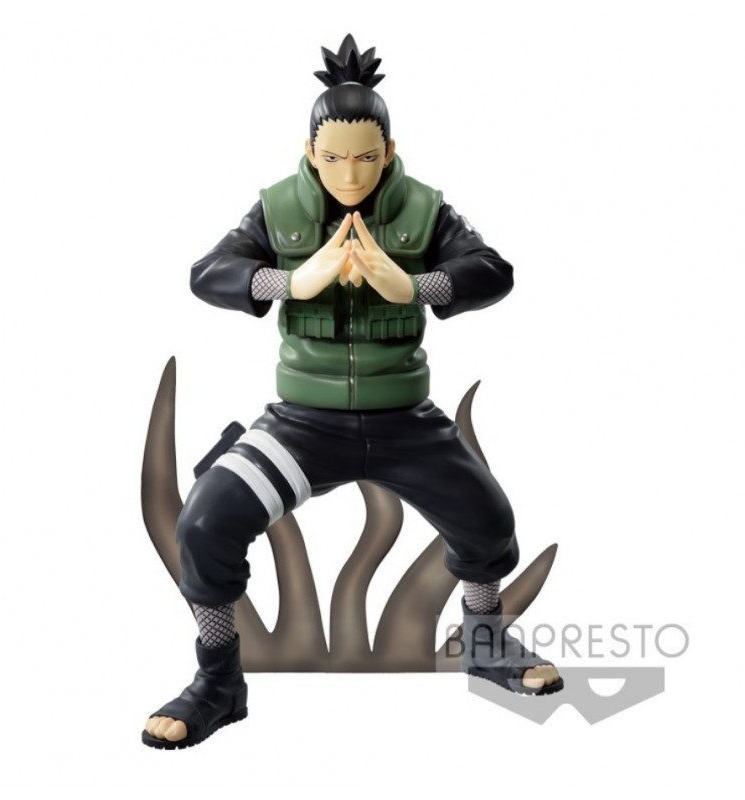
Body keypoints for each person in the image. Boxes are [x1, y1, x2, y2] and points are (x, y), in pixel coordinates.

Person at [142, 34, 562, 750]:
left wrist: (417, 286)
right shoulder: (276, 209)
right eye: (333, 157)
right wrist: (289, 281)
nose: (350, 172)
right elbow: (207, 273)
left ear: (389, 152)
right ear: (310, 153)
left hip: (406, 421)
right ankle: (218, 680)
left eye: (366, 157)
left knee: (490, 524)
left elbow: (494, 271)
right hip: (304, 424)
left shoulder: (426, 209)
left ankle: (486, 643)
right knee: (204, 526)